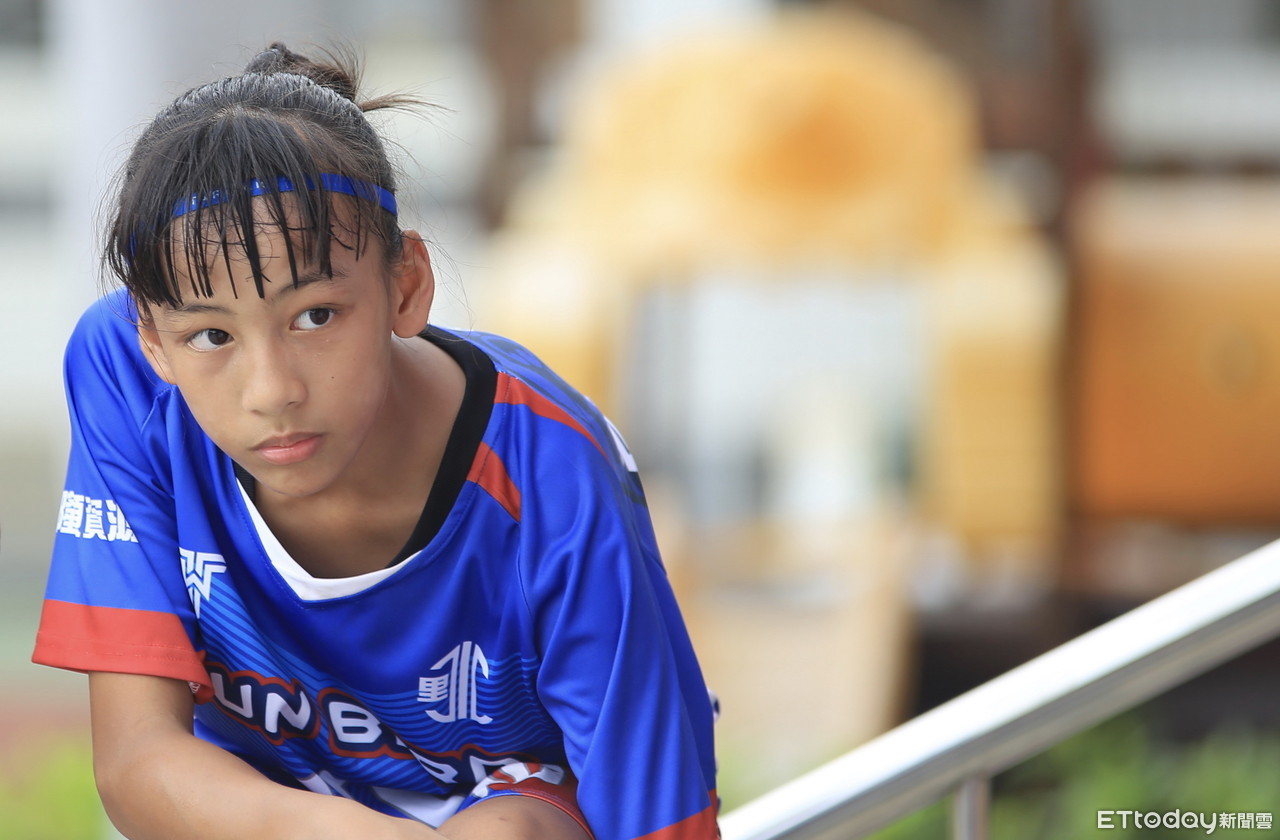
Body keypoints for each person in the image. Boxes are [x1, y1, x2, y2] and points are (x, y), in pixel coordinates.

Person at [32, 42, 718, 840]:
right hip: (261, 810)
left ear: (406, 285)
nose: (272, 390)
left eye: (315, 316)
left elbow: (661, 820)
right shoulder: (126, 372)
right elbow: (137, 758)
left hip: (506, 801)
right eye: (212, 336)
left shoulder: (551, 466)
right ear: (153, 340)